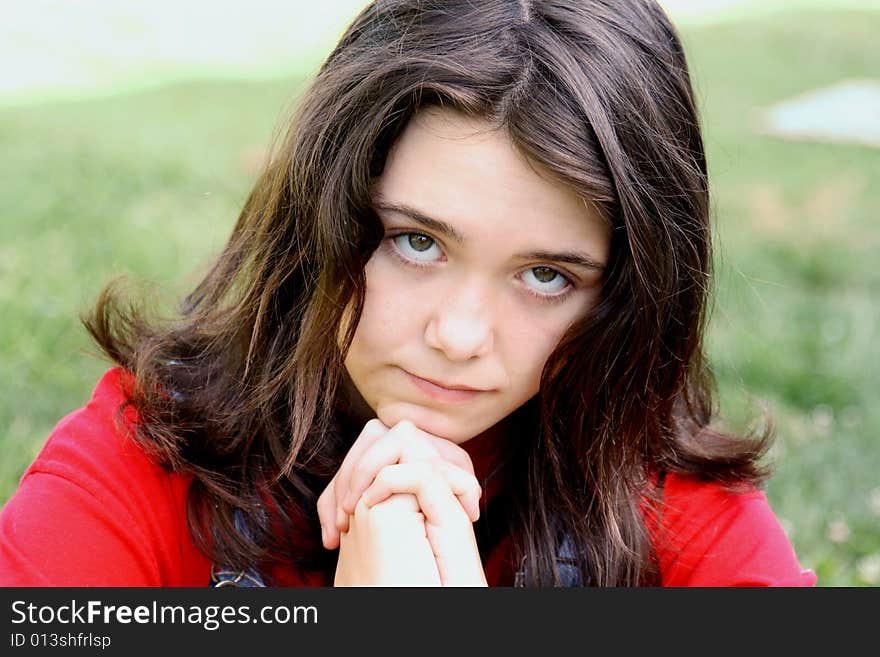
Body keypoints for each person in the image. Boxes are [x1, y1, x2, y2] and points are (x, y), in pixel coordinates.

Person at [0, 0, 816, 587]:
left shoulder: (656, 492)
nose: (460, 335)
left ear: (626, 299)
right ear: (321, 219)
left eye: (547, 276)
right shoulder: (147, 465)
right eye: (416, 242)